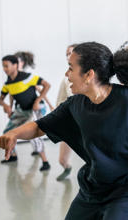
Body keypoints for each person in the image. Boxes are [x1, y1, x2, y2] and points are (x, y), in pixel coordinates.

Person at [0, 41, 128, 219]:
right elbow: (40, 126)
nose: (67, 74)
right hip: (95, 187)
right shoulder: (75, 104)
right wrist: (14, 133)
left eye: (70, 68)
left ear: (89, 75)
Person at [0, 55, 51, 171]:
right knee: (7, 132)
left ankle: (45, 162)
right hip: (22, 111)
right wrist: (6, 106)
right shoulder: (8, 84)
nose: (4, 68)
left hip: (35, 108)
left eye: (6, 66)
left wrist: (37, 100)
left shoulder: (27, 77)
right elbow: (0, 100)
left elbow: (47, 85)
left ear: (15, 65)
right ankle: (13, 156)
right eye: (3, 66)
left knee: (33, 135)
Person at [14, 51, 55, 158]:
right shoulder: (13, 77)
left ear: (21, 63)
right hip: (25, 109)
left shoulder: (27, 77)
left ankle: (42, 155)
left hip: (36, 107)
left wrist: (49, 104)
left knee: (34, 130)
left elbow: (41, 89)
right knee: (27, 129)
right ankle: (38, 150)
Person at [55, 44, 77, 181]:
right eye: (67, 54)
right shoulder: (65, 79)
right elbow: (60, 102)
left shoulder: (92, 75)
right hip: (71, 124)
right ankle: (67, 167)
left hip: (90, 124)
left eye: (72, 53)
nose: (69, 56)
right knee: (62, 159)